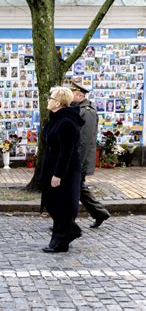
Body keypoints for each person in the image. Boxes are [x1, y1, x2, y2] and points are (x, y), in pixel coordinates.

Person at [40, 86, 84, 253]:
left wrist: (58, 174)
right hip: (53, 166)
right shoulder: (56, 118)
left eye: (51, 98)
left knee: (61, 205)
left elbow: (67, 151)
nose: (49, 101)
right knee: (52, 203)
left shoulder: (66, 122)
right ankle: (69, 231)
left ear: (58, 102)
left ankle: (61, 241)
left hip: (64, 169)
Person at [70, 81, 111, 228]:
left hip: (80, 159)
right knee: (78, 189)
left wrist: (78, 163)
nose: (70, 95)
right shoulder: (77, 108)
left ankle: (67, 222)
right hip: (75, 158)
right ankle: (100, 213)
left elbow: (85, 140)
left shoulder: (87, 111)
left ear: (79, 95)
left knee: (75, 189)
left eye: (72, 93)